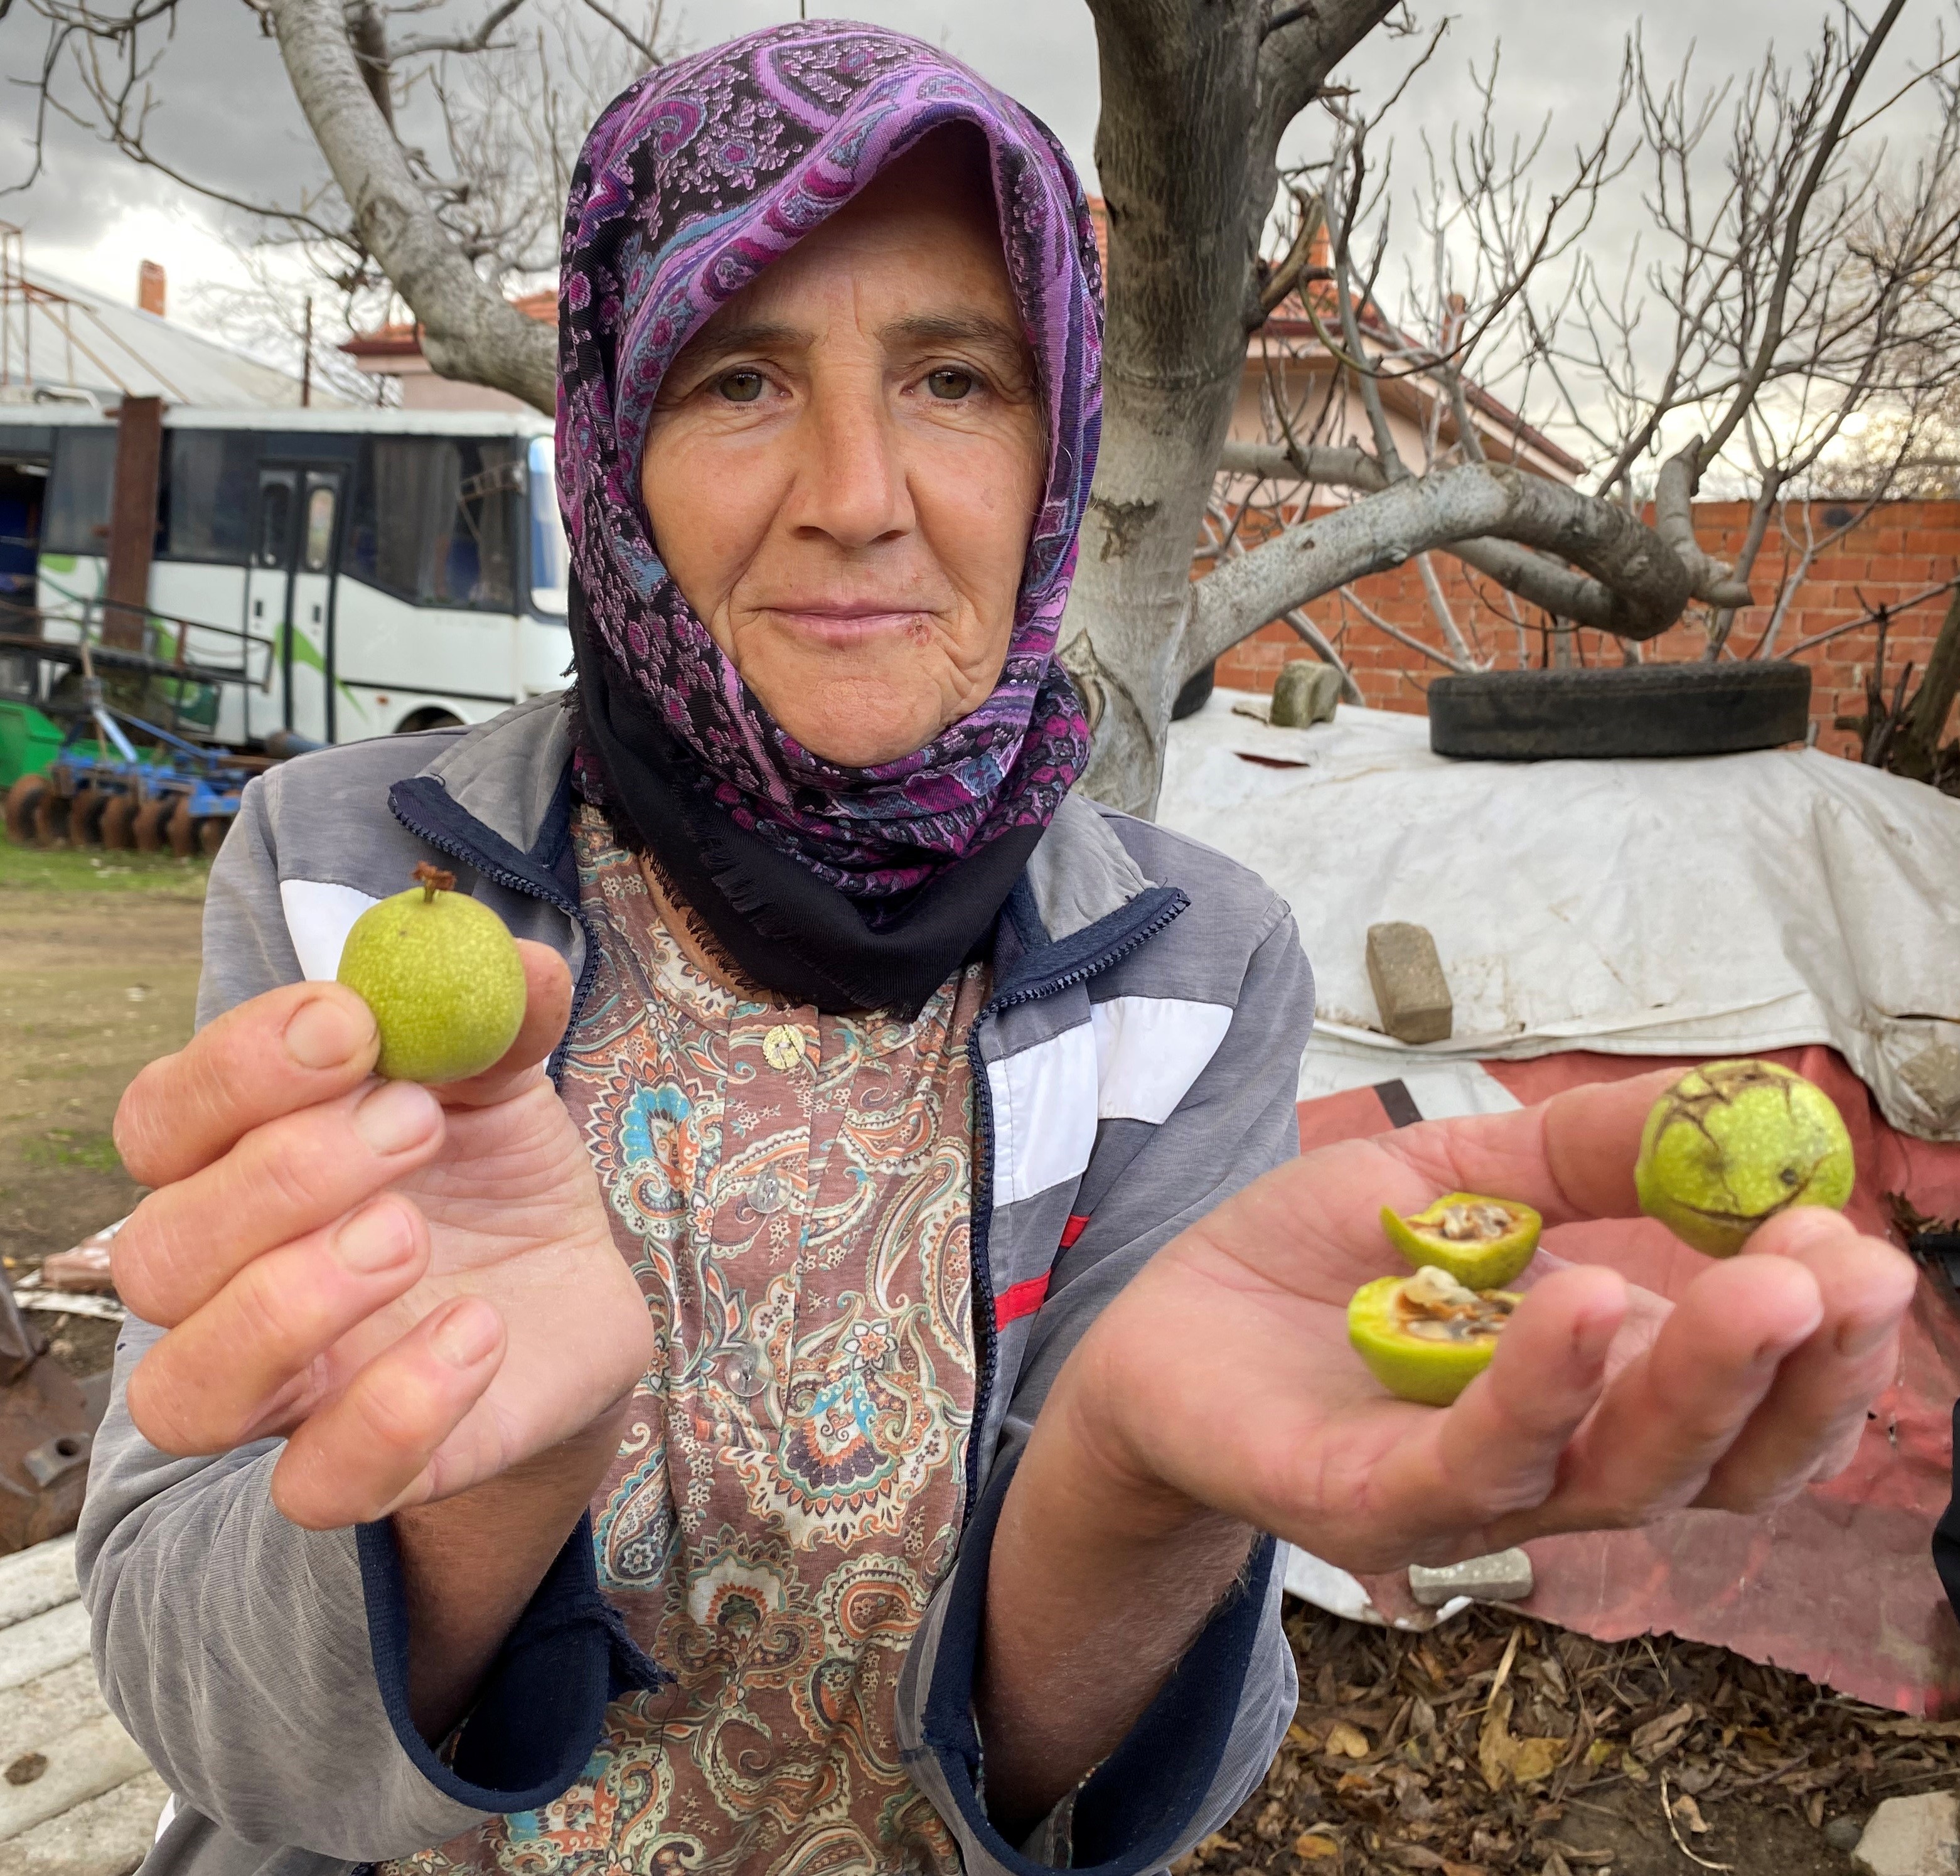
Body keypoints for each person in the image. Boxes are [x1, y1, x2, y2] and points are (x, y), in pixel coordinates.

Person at [80, 23, 1915, 1876]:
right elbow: (208, 1713)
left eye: (953, 377)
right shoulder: (347, 876)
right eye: (735, 377)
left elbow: (1093, 1782)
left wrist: (1129, 1487)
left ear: (1057, 443)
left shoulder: (1190, 959)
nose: (858, 492)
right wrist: (474, 1489)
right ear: (609, 439)